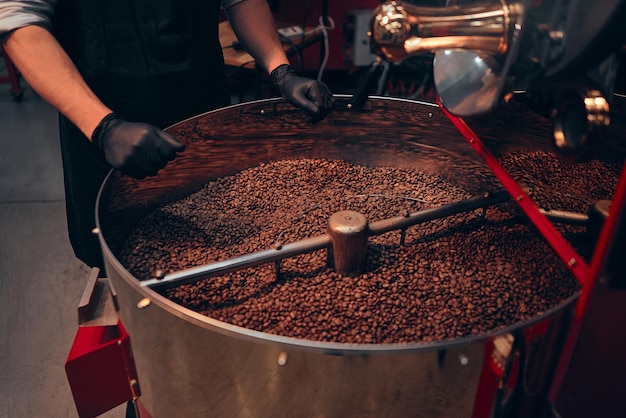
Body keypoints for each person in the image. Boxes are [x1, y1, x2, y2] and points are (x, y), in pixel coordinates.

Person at [1, 0, 334, 271]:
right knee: (121, 260)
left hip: (201, 110)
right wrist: (103, 126)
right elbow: (18, 20)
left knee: (224, 248)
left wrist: (280, 69)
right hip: (103, 117)